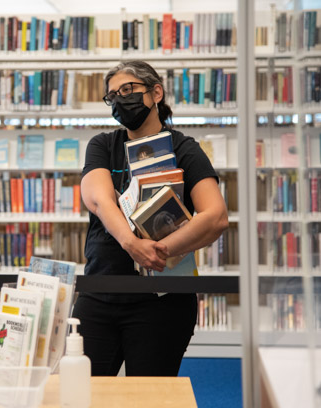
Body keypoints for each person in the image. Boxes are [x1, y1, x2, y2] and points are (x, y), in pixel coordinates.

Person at [72, 60, 228, 376]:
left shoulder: (184, 149)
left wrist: (161, 251)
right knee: (82, 391)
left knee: (150, 395)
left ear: (156, 92)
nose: (119, 99)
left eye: (128, 90)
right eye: (112, 96)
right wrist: (132, 244)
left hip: (163, 301)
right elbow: (99, 200)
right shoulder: (103, 145)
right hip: (99, 293)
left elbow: (215, 216)